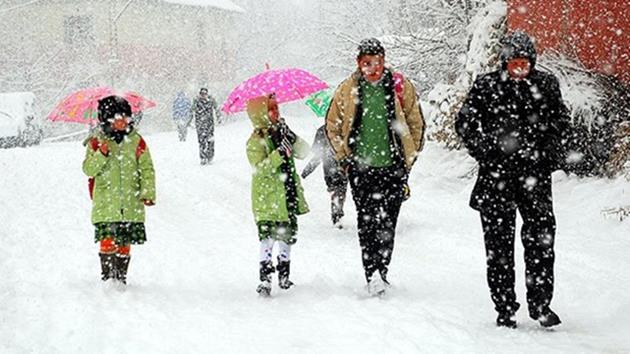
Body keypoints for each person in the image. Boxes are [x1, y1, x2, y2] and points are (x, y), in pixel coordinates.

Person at [455, 31, 571, 328]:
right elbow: (465, 122)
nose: (520, 68)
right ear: (504, 62)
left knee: (541, 244)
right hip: (496, 180)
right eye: (514, 63)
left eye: (525, 63)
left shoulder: (546, 85)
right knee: (498, 249)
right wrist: (485, 151)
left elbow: (562, 121)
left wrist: (547, 150)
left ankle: (541, 305)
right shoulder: (487, 85)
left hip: (535, 178)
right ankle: (504, 306)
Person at [326, 38, 425, 296]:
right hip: (360, 168)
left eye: (378, 62)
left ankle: (383, 269)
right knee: (367, 221)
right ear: (359, 63)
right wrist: (343, 156)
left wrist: (408, 156)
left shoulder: (399, 86)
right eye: (367, 63)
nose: (373, 68)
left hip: (392, 167)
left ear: (384, 60)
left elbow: (415, 120)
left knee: (389, 221)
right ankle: (371, 272)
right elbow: (332, 126)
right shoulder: (347, 89)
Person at [82, 95, 156, 287]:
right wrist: (102, 153)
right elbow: (89, 169)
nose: (123, 122)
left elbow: (146, 168)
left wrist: (147, 193)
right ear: (107, 119)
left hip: (130, 202)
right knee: (107, 239)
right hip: (106, 202)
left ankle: (121, 277)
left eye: (126, 117)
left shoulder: (136, 141)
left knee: (124, 240)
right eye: (118, 118)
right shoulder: (96, 142)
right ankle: (108, 277)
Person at [246, 94, 310, 297]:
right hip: (269, 198)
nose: (276, 112)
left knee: (286, 236)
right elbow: (260, 168)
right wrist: (278, 154)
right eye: (270, 109)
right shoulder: (255, 141)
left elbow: (304, 151)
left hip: (287, 193)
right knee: (267, 238)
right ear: (260, 115)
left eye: (277, 108)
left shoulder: (282, 133)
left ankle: (284, 274)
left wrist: (291, 137)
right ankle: (265, 278)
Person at [301, 124, 348, 228]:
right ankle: (337, 214)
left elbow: (317, 155)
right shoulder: (342, 128)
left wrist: (307, 170)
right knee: (339, 190)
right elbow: (318, 155)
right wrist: (307, 170)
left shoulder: (323, 130)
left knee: (337, 190)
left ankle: (337, 213)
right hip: (337, 167)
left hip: (333, 167)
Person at [190, 87, 220, 165]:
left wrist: (218, 117)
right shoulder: (196, 101)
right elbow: (191, 111)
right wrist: (189, 121)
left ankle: (210, 156)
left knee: (210, 140)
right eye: (202, 94)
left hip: (209, 123)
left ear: (207, 94)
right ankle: (203, 157)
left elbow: (217, 108)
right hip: (200, 124)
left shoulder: (211, 100)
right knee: (201, 141)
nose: (203, 96)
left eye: (205, 94)